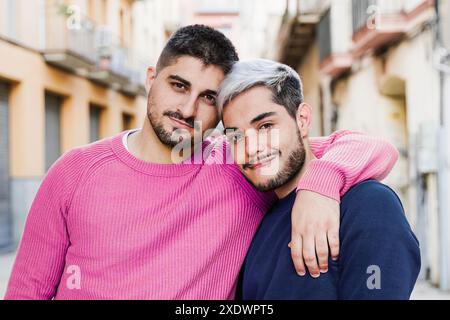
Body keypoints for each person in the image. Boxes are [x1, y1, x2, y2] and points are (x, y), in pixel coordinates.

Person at [6, 26, 398, 300]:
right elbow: (27, 292)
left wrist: (320, 184)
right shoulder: (75, 172)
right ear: (150, 78)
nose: (188, 109)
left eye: (209, 97)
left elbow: (370, 148)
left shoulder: (240, 164)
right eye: (178, 85)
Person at [218, 59, 421, 300]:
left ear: (302, 119)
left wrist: (320, 181)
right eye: (236, 137)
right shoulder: (258, 217)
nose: (250, 148)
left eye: (265, 126)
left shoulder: (368, 205)